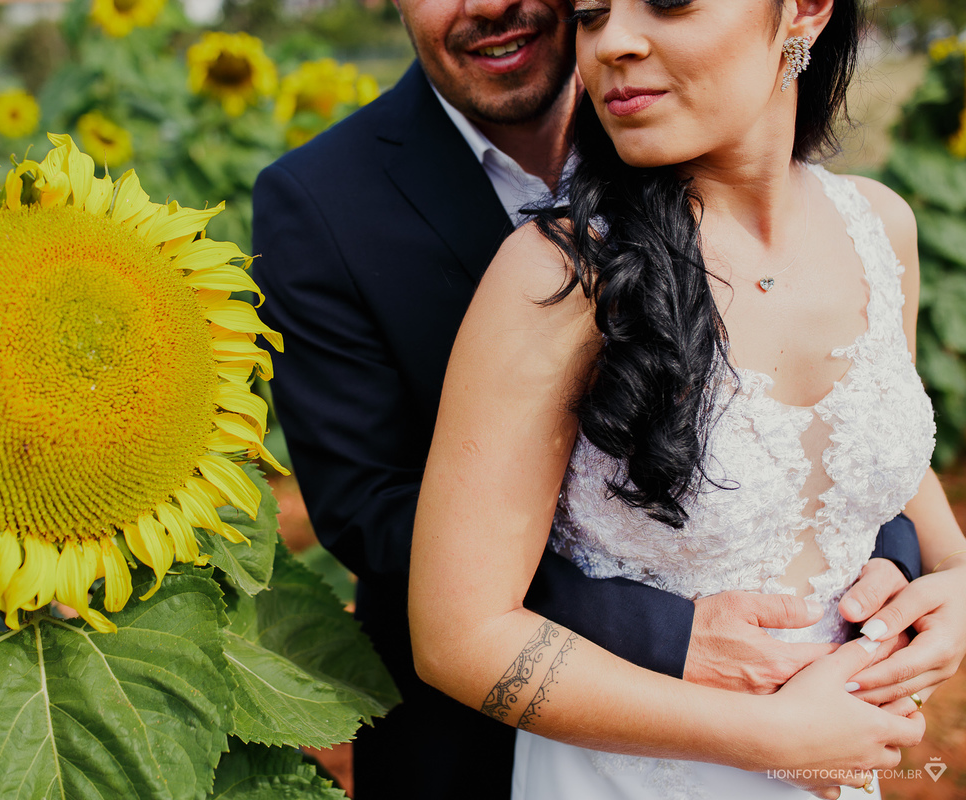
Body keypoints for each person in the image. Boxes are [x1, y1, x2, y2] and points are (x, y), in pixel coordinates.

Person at [252, 1, 936, 798]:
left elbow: (880, 472)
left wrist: (928, 593)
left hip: (832, 750)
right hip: (586, 754)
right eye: (593, 14)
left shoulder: (875, 226)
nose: (614, 43)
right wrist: (731, 696)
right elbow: (384, 522)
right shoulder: (551, 263)